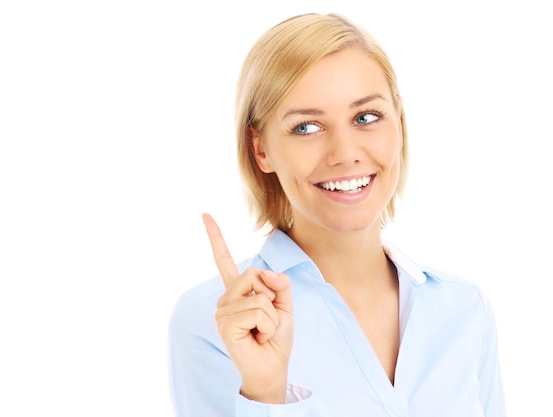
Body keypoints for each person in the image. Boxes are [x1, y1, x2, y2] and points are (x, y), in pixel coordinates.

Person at [168, 12, 506, 417]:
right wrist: (266, 393)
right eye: (307, 127)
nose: (345, 153)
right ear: (261, 149)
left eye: (366, 117)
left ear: (398, 123)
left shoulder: (464, 308)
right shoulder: (216, 319)